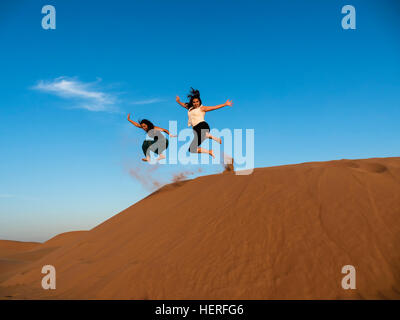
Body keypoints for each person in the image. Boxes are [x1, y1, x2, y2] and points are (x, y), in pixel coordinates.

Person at [175, 88, 233, 158]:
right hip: (196, 130)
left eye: (197, 101)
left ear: (200, 102)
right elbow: (184, 105)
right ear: (192, 103)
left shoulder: (202, 108)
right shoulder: (190, 108)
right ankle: (209, 151)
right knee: (192, 149)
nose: (196, 103)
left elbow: (214, 107)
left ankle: (210, 136)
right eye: (194, 102)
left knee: (202, 132)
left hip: (203, 126)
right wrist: (178, 101)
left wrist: (225, 104)